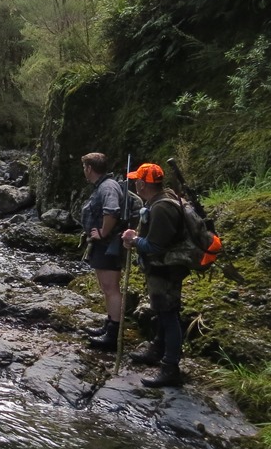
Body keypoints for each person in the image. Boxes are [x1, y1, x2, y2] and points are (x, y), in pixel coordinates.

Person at [120, 163, 190, 387]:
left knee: (169, 315)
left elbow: (156, 246)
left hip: (165, 270)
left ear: (142, 184)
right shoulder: (161, 199)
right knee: (162, 313)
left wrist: (134, 241)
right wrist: (138, 237)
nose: (134, 185)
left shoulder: (162, 207)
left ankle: (170, 367)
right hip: (162, 269)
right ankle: (157, 350)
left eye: (136, 181)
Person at [79, 153, 126, 351]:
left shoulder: (107, 187)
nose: (84, 171)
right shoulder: (104, 185)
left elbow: (112, 210)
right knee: (107, 288)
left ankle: (114, 335)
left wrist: (103, 233)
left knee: (111, 288)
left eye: (84, 167)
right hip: (104, 245)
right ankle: (109, 325)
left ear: (89, 168)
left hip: (109, 245)